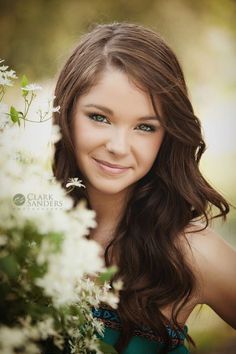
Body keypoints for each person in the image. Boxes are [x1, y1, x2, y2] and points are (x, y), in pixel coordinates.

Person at [52, 23, 236, 354]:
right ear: (66, 113)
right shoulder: (31, 224)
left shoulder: (189, 252)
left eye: (145, 127)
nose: (119, 146)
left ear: (166, 136)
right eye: (100, 118)